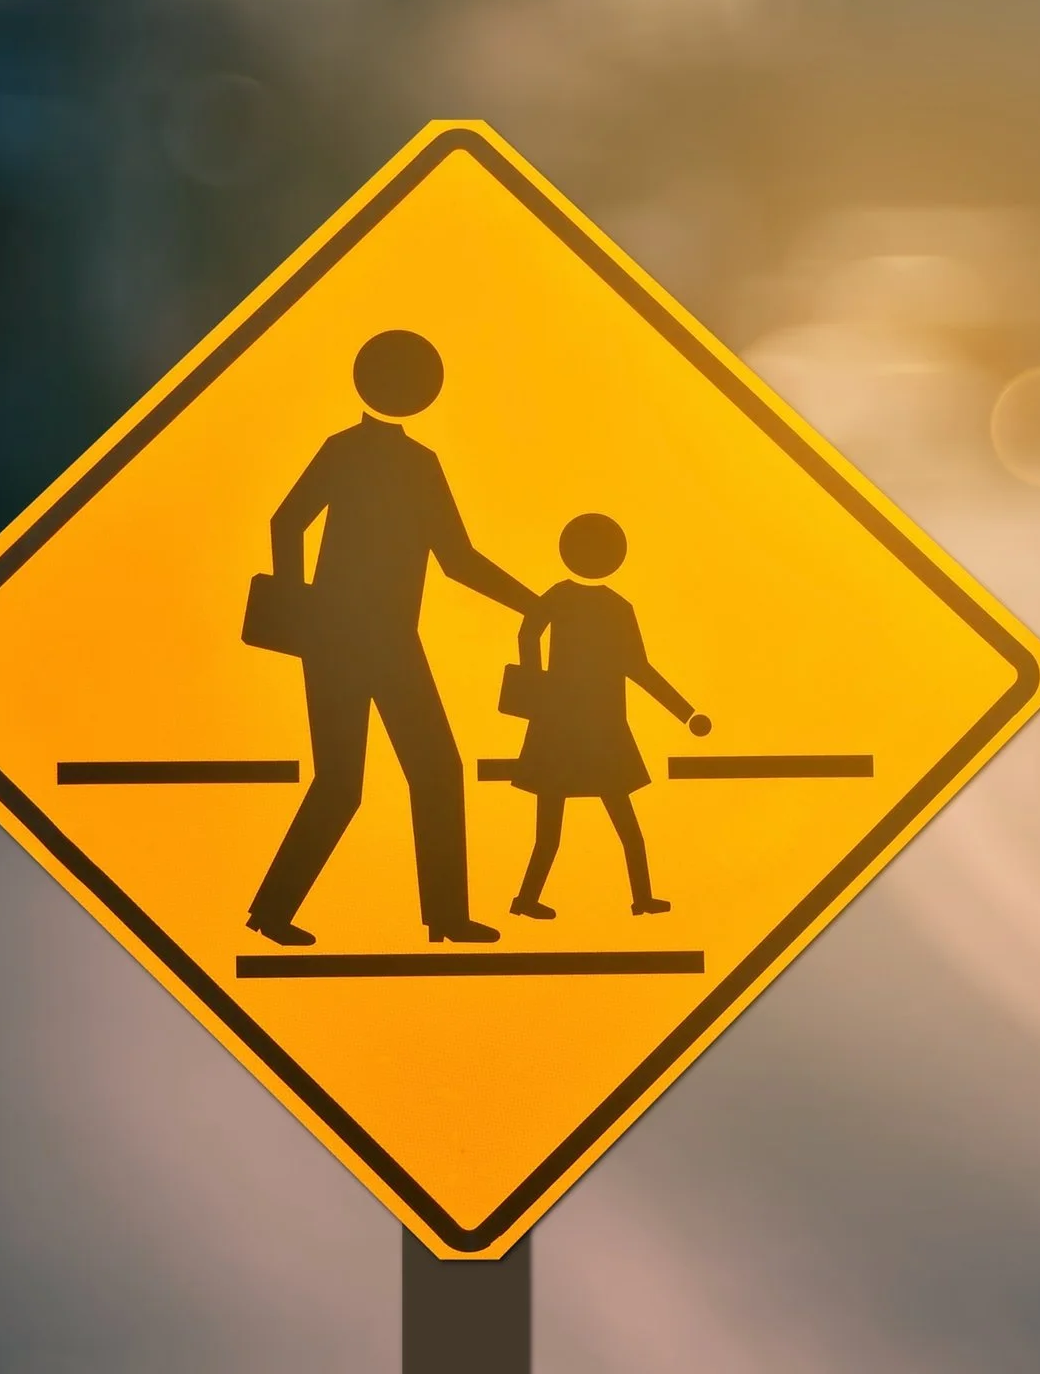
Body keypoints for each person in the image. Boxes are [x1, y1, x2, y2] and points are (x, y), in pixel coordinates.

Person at [246, 331, 534, 948]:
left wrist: (531, 603)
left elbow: (454, 559)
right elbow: (287, 521)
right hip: (349, 639)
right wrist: (302, 610)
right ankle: (276, 912)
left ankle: (443, 918)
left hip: (376, 640)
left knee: (423, 772)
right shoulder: (370, 455)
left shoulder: (399, 460)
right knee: (356, 781)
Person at [507, 513, 708, 919]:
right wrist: (537, 684)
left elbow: (637, 667)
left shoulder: (600, 604)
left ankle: (640, 898)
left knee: (609, 825)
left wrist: (684, 712)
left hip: (590, 729)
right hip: (577, 729)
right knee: (565, 829)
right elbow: (529, 634)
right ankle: (528, 900)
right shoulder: (588, 602)